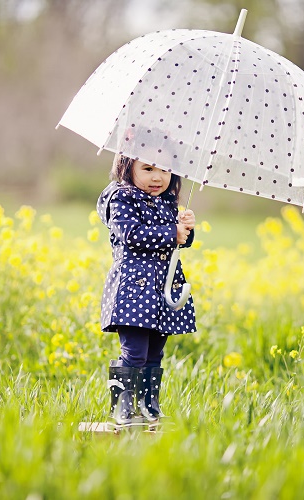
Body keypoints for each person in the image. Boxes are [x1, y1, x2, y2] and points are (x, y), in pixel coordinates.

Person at [96, 153, 196, 425]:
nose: (157, 177)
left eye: (164, 170)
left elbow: (177, 243)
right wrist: (170, 232)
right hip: (135, 290)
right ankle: (122, 407)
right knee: (135, 352)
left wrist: (185, 229)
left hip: (162, 288)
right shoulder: (121, 198)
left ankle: (148, 406)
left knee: (155, 352)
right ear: (128, 167)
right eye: (148, 168)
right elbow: (131, 234)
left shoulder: (167, 202)